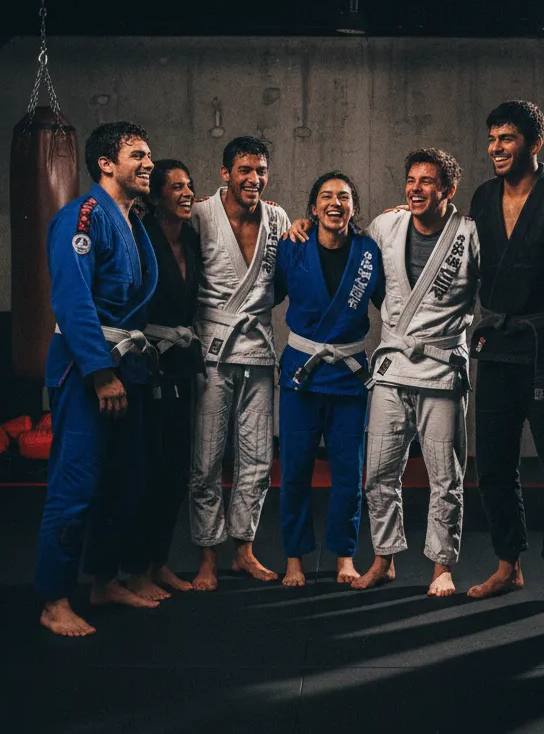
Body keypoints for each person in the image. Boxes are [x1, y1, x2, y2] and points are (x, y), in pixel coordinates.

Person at [35, 121, 160, 637]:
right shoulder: (82, 216)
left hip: (124, 366)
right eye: (137, 154)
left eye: (148, 153)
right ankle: (53, 598)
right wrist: (100, 372)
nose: (148, 162)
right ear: (106, 164)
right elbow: (71, 299)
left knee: (124, 482)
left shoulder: (132, 221)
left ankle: (103, 579)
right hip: (89, 369)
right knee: (76, 483)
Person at [466, 101, 544, 612]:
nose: (497, 147)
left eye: (508, 138)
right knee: (493, 463)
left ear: (534, 143)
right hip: (496, 346)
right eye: (493, 138)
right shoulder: (482, 195)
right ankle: (508, 565)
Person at [353, 149, 479, 597]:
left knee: (446, 477)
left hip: (442, 371)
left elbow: (495, 289)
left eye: (428, 181)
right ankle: (384, 558)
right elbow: (354, 264)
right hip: (392, 368)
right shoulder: (386, 225)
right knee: (378, 473)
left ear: (447, 190)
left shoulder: (469, 235)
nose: (416, 188)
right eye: (411, 180)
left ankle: (441, 567)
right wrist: (307, 226)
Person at [189, 136, 290, 590]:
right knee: (207, 457)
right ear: (225, 173)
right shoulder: (200, 213)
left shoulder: (278, 217)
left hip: (259, 346)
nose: (255, 179)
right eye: (245, 170)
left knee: (257, 457)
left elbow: (284, 280)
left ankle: (243, 550)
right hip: (213, 349)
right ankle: (207, 555)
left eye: (261, 170)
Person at [276, 172, 385, 588]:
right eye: (326, 196)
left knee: (347, 472)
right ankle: (294, 560)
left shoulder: (369, 252)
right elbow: (266, 294)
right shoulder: (293, 246)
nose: (334, 203)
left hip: (347, 378)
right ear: (313, 207)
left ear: (354, 207)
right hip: (301, 378)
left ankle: (344, 556)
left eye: (343, 196)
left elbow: (392, 306)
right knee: (295, 471)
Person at [122, 159, 203, 601]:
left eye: (190, 185)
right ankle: (133, 570)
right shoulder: (139, 235)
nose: (187, 193)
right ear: (155, 197)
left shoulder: (191, 237)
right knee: (147, 470)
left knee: (174, 471)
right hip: (147, 361)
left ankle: (157, 562)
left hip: (183, 364)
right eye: (175, 187)